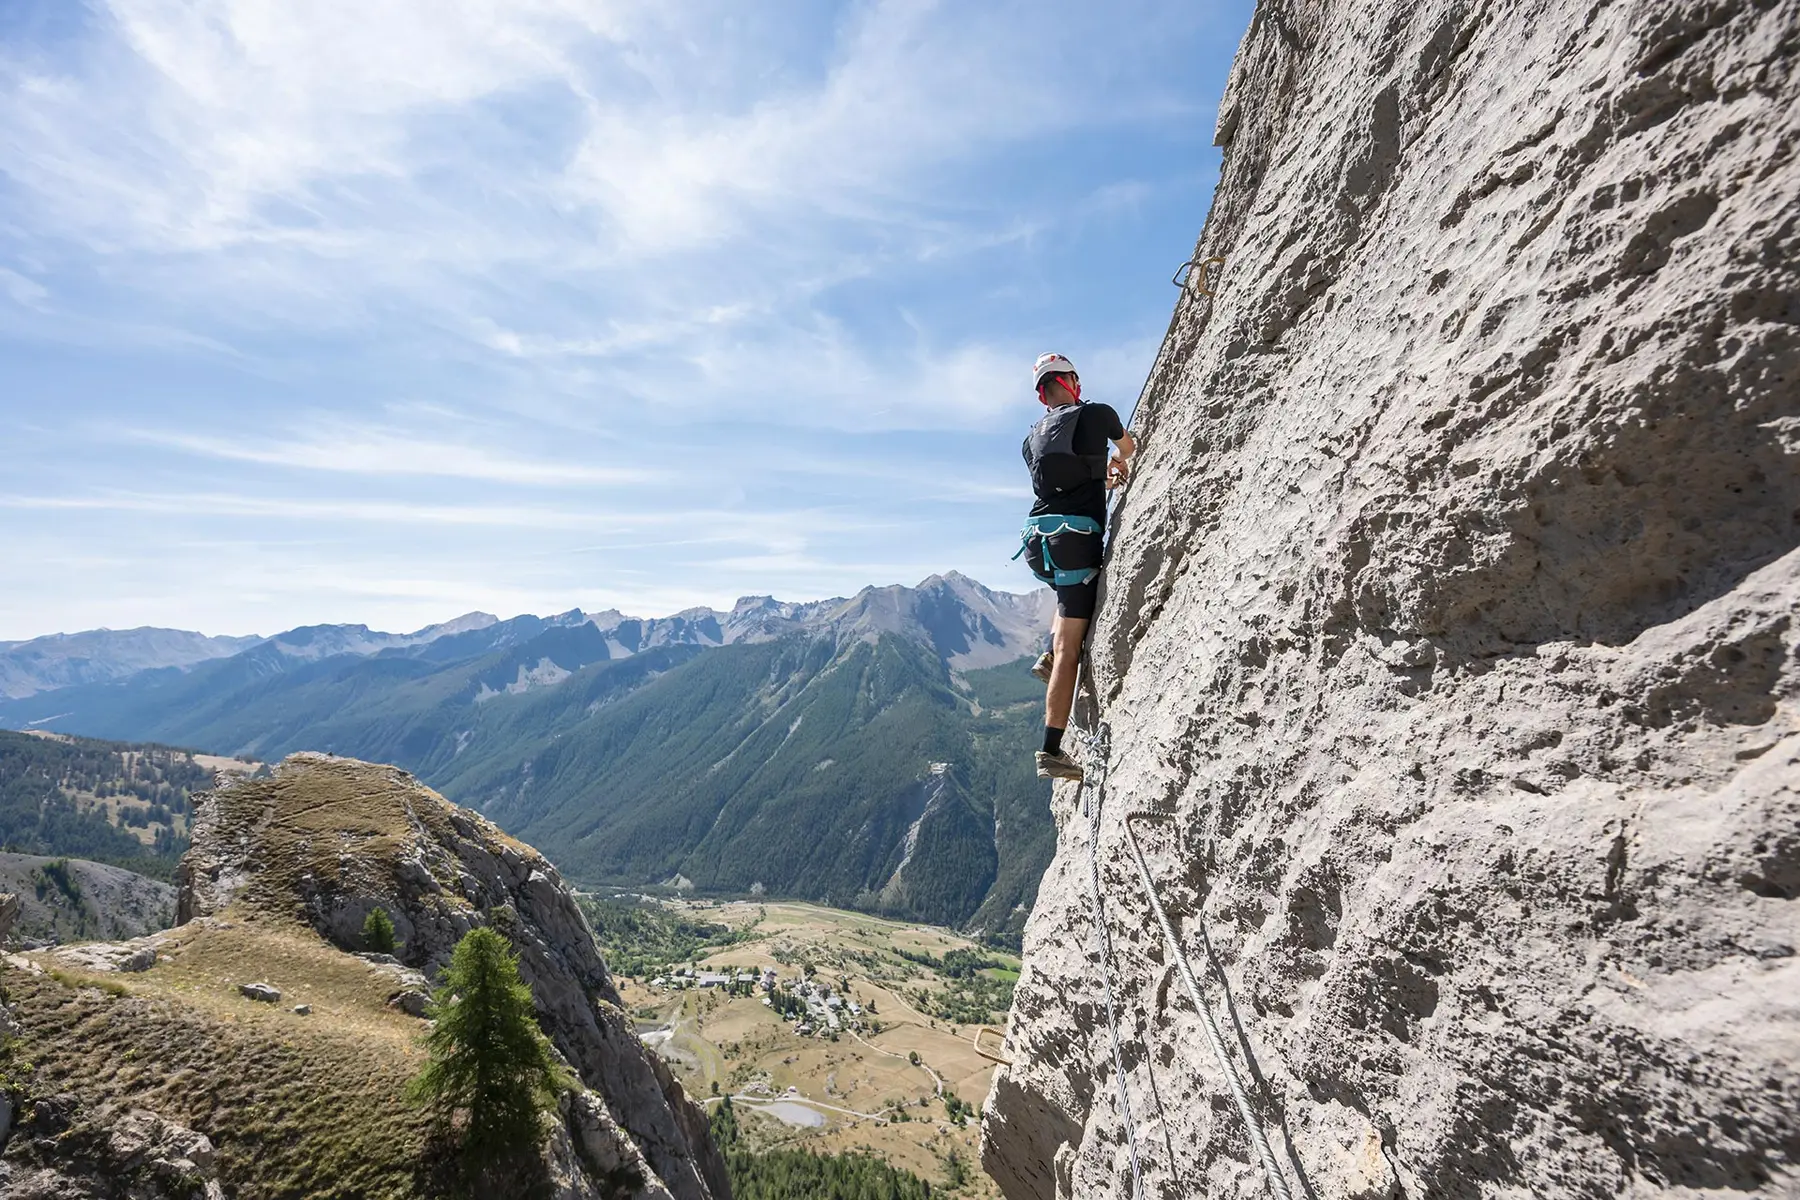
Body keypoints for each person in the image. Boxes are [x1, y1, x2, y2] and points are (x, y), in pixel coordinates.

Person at [1017, 352, 1135, 781]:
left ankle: (1048, 654)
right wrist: (1118, 460)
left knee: (1066, 597)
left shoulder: (1031, 439)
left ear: (1042, 395)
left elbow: (1067, 484)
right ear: (1071, 382)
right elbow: (1129, 447)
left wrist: (1103, 478)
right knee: (1072, 652)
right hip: (1075, 539)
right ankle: (1051, 751)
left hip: (1038, 541)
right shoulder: (1097, 413)